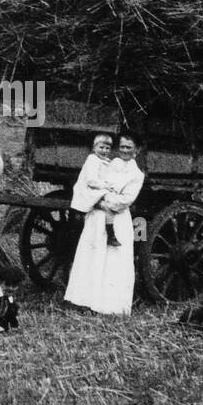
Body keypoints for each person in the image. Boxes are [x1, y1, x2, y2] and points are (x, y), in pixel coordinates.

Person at [64, 132, 146, 315]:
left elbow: (124, 200)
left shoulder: (137, 174)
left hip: (116, 219)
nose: (124, 150)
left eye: (128, 147)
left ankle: (108, 306)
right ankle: (83, 300)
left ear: (137, 150)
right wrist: (99, 199)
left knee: (112, 260)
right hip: (96, 217)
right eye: (122, 147)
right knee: (92, 254)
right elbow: (91, 183)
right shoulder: (110, 163)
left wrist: (101, 201)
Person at [71, 133, 122, 247]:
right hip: (87, 191)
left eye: (107, 148)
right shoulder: (92, 160)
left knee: (112, 198)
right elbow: (91, 180)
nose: (104, 151)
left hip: (96, 189)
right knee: (108, 206)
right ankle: (110, 234)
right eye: (101, 147)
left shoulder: (106, 161)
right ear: (94, 148)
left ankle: (110, 232)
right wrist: (105, 186)